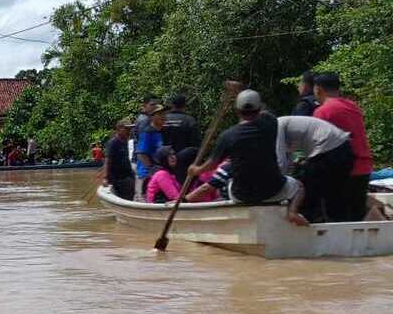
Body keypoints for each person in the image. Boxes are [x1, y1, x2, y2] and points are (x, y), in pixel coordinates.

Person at [188, 90, 303, 224]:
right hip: (273, 190)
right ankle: (292, 212)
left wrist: (195, 170)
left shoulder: (227, 136)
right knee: (299, 187)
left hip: (241, 195)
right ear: (259, 108)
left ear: (237, 111)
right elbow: (266, 114)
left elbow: (212, 164)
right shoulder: (270, 124)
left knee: (227, 180)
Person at [313, 72, 373, 221]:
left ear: (318, 89)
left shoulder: (323, 111)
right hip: (363, 167)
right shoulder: (353, 106)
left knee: (337, 219)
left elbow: (317, 145)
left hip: (342, 172)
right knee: (356, 219)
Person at [276, 115, 353, 223]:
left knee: (307, 193)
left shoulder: (277, 126)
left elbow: (280, 163)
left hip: (329, 150)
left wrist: (279, 185)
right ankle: (337, 228)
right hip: (343, 148)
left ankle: (308, 228)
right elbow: (287, 160)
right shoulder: (284, 124)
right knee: (333, 197)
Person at [134, 103, 167, 198]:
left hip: (157, 175)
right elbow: (140, 154)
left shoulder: (161, 132)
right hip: (145, 175)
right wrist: (151, 169)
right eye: (160, 114)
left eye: (164, 114)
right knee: (143, 201)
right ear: (152, 117)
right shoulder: (147, 132)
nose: (163, 117)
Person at [104, 118, 135, 200]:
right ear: (119, 129)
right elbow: (107, 161)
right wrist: (105, 178)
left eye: (130, 129)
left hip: (127, 174)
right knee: (129, 184)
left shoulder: (125, 141)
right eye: (127, 129)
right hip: (118, 178)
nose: (129, 131)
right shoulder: (113, 143)